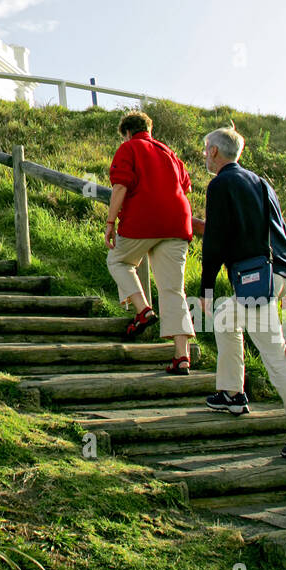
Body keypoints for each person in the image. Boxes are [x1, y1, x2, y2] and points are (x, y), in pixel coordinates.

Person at [199, 125, 286, 460]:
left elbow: (214, 241)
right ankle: (231, 392)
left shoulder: (220, 185)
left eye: (205, 149)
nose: (204, 154)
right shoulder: (260, 182)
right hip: (278, 273)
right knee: (227, 315)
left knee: (275, 357)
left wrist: (206, 289)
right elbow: (283, 230)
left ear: (214, 151)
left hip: (257, 279)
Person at [105, 111, 196, 374]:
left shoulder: (129, 148)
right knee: (173, 289)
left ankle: (143, 310)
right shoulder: (169, 152)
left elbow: (120, 186)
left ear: (127, 132)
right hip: (177, 224)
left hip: (143, 221)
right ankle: (182, 356)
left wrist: (110, 223)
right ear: (149, 129)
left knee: (119, 260)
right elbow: (186, 186)